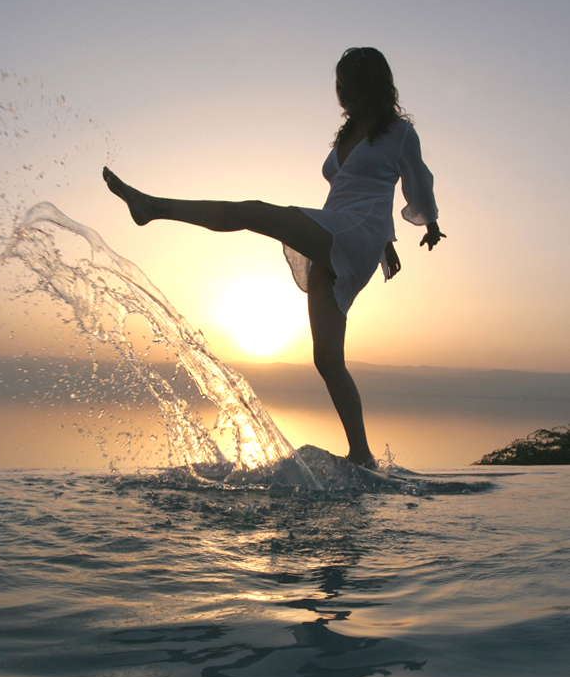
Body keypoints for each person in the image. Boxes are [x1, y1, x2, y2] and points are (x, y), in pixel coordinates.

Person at [103, 47, 445, 469]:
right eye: (338, 87)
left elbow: (416, 183)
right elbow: (361, 189)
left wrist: (426, 225)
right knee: (327, 361)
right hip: (337, 228)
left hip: (355, 236)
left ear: (371, 85)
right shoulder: (349, 132)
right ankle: (363, 457)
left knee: (251, 212)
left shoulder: (400, 133)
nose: (342, 95)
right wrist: (386, 242)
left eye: (349, 86)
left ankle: (151, 207)